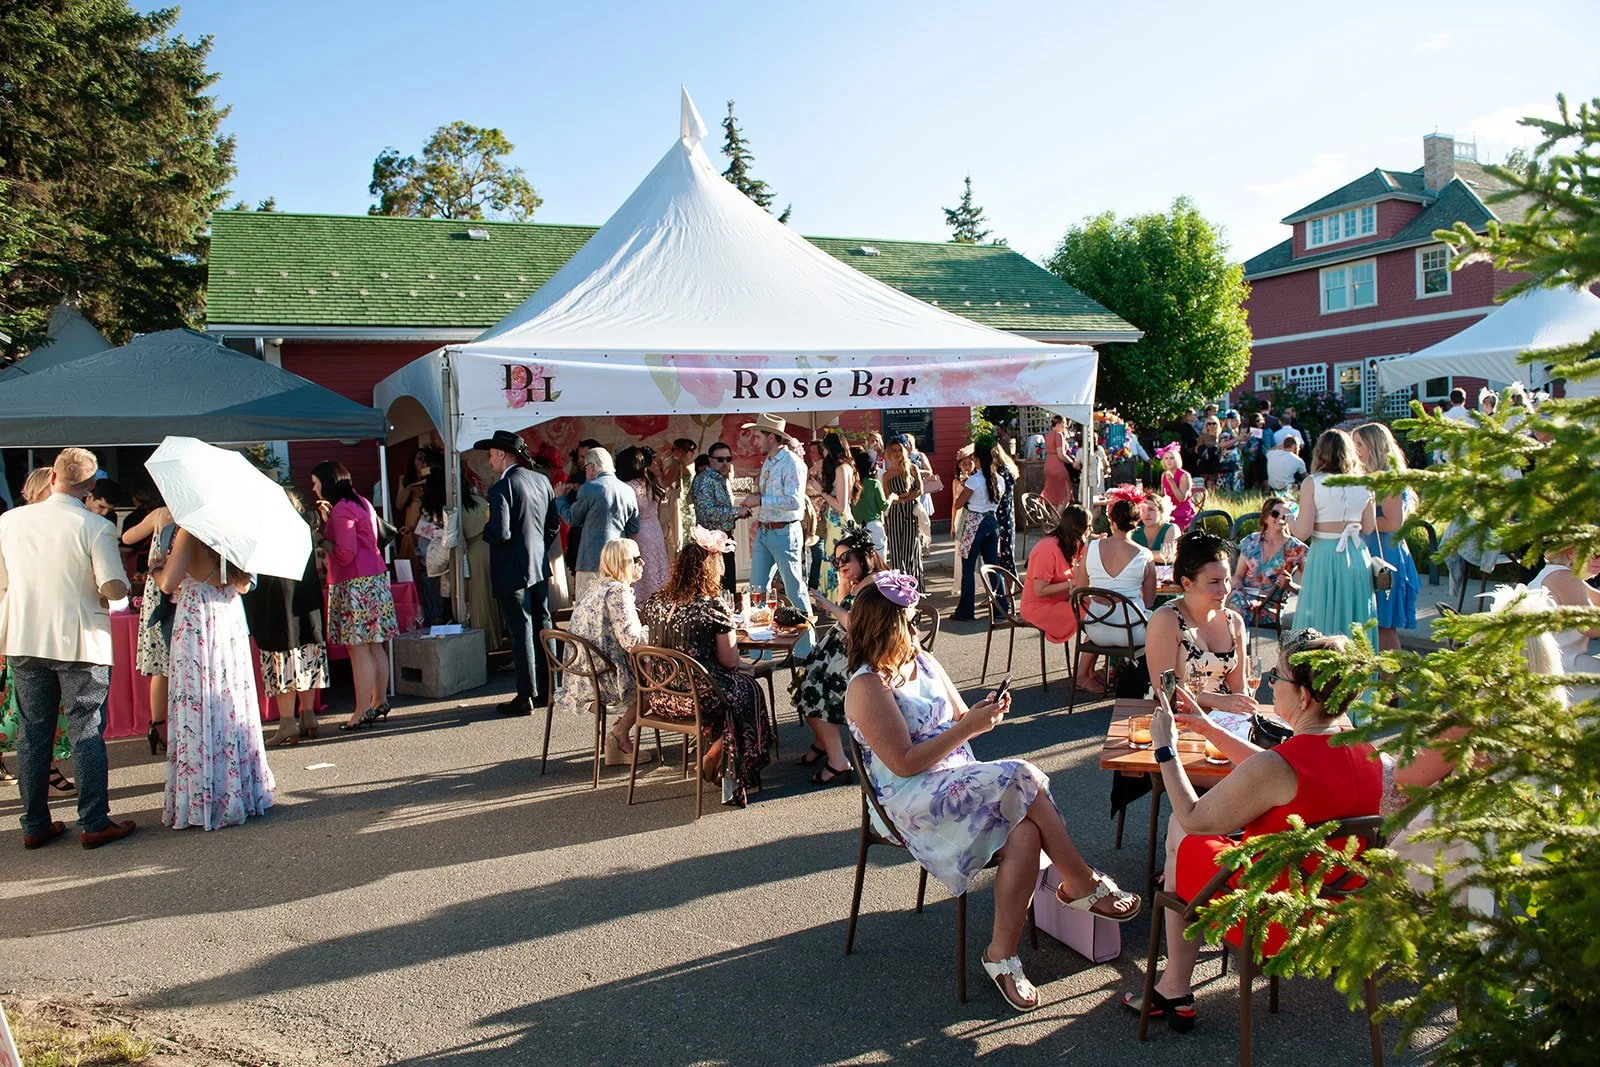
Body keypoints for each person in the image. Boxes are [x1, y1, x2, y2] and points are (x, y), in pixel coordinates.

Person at [845, 572, 1140, 1012]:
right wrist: (966, 727)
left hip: (956, 778)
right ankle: (1080, 883)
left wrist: (985, 713)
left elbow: (962, 718)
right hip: (910, 800)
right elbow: (904, 762)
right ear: (885, 627)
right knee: (1020, 774)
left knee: (1025, 834)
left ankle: (1000, 954)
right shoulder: (867, 686)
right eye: (907, 620)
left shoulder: (922, 661)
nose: (916, 626)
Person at [1124, 630, 1380, 1031]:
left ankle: (1174, 984)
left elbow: (1195, 815)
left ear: (1304, 697)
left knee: (1180, 827)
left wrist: (1165, 750)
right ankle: (1173, 983)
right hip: (1338, 908)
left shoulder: (1282, 766)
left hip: (1271, 913)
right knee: (1190, 830)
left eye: (1278, 677)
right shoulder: (1365, 749)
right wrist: (1209, 728)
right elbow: (1278, 770)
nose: (1272, 685)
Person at [0, 447, 137, 850]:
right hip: (79, 640)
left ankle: (34, 823)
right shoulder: (95, 525)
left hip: (25, 636)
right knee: (86, 729)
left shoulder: (9, 520)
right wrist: (116, 587)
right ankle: (93, 821)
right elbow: (113, 587)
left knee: (33, 732)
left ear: (54, 475)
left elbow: (2, 584)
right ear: (90, 486)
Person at [639, 527, 770, 807]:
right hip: (697, 700)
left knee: (736, 688)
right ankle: (723, 759)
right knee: (749, 690)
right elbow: (730, 661)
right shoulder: (712, 607)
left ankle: (715, 750)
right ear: (710, 570)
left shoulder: (655, 602)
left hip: (661, 696)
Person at [158, 524, 275, 830]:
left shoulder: (190, 531)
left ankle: (202, 795)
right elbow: (245, 586)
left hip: (197, 615)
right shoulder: (235, 530)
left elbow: (169, 583)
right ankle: (238, 791)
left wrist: (157, 568)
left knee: (198, 699)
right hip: (229, 616)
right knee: (230, 698)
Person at [3, 469, 87, 793]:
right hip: (34, 631)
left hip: (24, 632)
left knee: (36, 719)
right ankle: (43, 780)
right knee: (36, 719)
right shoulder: (21, 526)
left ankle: (36, 804)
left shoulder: (17, 525)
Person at [475, 431, 561, 717]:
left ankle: (526, 694)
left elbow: (500, 533)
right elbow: (552, 526)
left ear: (501, 454)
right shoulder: (541, 480)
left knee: (522, 630)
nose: (489, 461)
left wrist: (486, 526)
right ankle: (551, 687)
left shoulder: (502, 487)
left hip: (512, 568)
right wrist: (537, 551)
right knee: (543, 625)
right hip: (538, 565)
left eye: (491, 455)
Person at [310, 461, 399, 729]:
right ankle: (379, 701)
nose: (313, 488)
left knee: (358, 649)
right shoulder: (360, 502)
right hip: (374, 579)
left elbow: (345, 553)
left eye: (315, 483)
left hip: (354, 584)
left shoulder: (342, 510)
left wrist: (321, 539)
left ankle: (361, 710)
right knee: (375, 644)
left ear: (327, 482)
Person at [792, 527, 883, 785]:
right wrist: (843, 584)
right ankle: (823, 744)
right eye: (836, 560)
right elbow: (844, 610)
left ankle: (838, 760)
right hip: (840, 653)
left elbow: (855, 626)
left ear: (864, 557)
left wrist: (828, 605)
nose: (840, 564)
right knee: (803, 683)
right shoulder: (859, 583)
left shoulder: (874, 584)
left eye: (846, 558)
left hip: (859, 659)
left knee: (812, 693)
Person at [552, 538, 652, 765]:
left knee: (652, 670)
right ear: (622, 563)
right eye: (637, 559)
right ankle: (619, 734)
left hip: (580, 677)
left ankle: (618, 738)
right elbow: (633, 642)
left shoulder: (595, 587)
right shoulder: (618, 592)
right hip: (603, 681)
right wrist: (657, 631)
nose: (643, 563)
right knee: (661, 682)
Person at [243, 488, 327, 747]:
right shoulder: (302, 527)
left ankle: (287, 722)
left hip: (277, 604)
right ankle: (309, 716)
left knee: (281, 660)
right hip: (307, 602)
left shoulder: (262, 530)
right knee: (306, 656)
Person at [1291, 429, 1377, 649]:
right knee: (1356, 616)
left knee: (1320, 616)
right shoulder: (1365, 482)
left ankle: (1319, 676)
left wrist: (1289, 519)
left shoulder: (1313, 483)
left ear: (1320, 453)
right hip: (1356, 555)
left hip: (1325, 555)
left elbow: (1302, 532)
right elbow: (1368, 528)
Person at [1147, 529, 1252, 707]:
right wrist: (1220, 702)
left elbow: (1239, 687)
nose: (1225, 590)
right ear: (1187, 583)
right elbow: (1164, 688)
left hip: (1225, 718)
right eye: (1214, 582)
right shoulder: (1166, 619)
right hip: (1177, 715)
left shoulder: (1234, 621)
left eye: (1227, 580)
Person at [1070, 495, 1156, 692]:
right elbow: (1150, 601)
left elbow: (1080, 590)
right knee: (1161, 621)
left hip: (1096, 629)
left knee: (1099, 614)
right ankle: (1155, 682)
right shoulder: (1144, 555)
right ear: (1137, 523)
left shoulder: (1091, 548)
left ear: (1111, 520)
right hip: (1132, 633)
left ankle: (1090, 674)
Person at [738, 414, 813, 631]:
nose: (755, 441)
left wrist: (759, 500)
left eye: (758, 436)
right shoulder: (770, 461)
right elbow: (769, 496)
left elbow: (794, 502)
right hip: (765, 532)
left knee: (794, 590)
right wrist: (751, 501)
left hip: (784, 532)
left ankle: (807, 650)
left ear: (772, 437)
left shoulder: (792, 463)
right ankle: (762, 649)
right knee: (757, 590)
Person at [1353, 422, 1421, 650]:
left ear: (1375, 446)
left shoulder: (1389, 480)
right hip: (1370, 553)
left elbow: (1393, 523)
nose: (1355, 449)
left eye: (1359, 444)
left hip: (1385, 557)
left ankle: (1391, 681)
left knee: (1384, 626)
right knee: (1370, 624)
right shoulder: (1370, 477)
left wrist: (1357, 521)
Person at [558, 447, 640, 599]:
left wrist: (560, 499)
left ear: (591, 466)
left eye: (585, 469)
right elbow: (634, 527)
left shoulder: (589, 488)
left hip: (592, 560)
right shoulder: (628, 490)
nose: (585, 473)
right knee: (616, 608)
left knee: (589, 611)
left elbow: (571, 518)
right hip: (619, 561)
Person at [1529, 544, 1600, 702]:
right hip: (1557, 665)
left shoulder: (1556, 574)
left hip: (1551, 661)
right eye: (1596, 553)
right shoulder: (1565, 577)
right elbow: (1590, 626)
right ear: (1571, 553)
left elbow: (1597, 599)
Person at [1227, 497, 1306, 624]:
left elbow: (1307, 591)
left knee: (1233, 611)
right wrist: (1237, 585)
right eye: (1275, 513)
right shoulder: (1251, 541)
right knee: (1228, 599)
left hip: (1271, 605)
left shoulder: (1297, 549)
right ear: (1265, 518)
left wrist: (1289, 585)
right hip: (1244, 598)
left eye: (1285, 515)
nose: (1280, 518)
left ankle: (1239, 640)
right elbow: (1238, 576)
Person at [952, 438, 1006, 621]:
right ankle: (1001, 607)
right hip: (992, 521)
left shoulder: (974, 481)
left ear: (977, 459)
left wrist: (962, 488)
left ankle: (966, 610)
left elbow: (959, 504)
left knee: (968, 567)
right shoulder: (999, 479)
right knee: (993, 566)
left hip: (974, 522)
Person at [1020, 503, 1089, 646]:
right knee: (1092, 612)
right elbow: (1040, 590)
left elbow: (1090, 556)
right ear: (1078, 528)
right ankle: (1086, 666)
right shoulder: (1048, 547)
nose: (1091, 530)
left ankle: (1091, 662)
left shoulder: (1071, 542)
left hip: (1061, 601)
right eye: (1088, 527)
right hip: (1039, 606)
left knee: (1099, 606)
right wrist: (1072, 583)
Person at [455, 463, 503, 654]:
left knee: (479, 598)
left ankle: (484, 643)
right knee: (491, 597)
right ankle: (495, 638)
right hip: (490, 549)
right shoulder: (480, 502)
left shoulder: (457, 508)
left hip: (474, 552)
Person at [690, 441, 747, 596]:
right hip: (710, 544)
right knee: (715, 590)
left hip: (724, 539)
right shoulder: (704, 480)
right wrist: (736, 512)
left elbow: (720, 511)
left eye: (728, 459)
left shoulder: (722, 479)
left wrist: (739, 513)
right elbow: (706, 512)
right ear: (710, 460)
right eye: (720, 459)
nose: (725, 463)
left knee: (728, 590)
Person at [616, 446, 670, 604]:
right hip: (656, 530)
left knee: (642, 574)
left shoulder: (627, 487)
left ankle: (643, 608)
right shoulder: (649, 482)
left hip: (639, 533)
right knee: (657, 569)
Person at [816, 432, 855, 600]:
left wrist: (821, 492)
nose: (823, 453)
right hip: (837, 523)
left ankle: (838, 604)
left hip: (839, 523)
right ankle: (838, 604)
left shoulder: (841, 469)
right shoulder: (846, 467)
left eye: (824, 449)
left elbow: (840, 505)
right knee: (837, 562)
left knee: (836, 562)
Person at [881, 437, 924, 588]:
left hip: (910, 511)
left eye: (900, 450)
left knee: (910, 548)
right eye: (894, 451)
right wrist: (899, 499)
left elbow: (920, 489)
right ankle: (899, 586)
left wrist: (906, 498)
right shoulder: (887, 475)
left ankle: (913, 584)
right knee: (896, 550)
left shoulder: (912, 468)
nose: (898, 453)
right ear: (889, 453)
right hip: (894, 514)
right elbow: (887, 497)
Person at [656, 438, 698, 561]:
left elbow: (664, 482)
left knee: (678, 537)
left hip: (679, 505)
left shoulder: (679, 464)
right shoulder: (691, 463)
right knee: (688, 537)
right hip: (689, 506)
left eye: (673, 449)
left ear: (679, 451)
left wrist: (660, 467)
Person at [849, 448, 888, 555]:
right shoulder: (874, 483)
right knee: (879, 560)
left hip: (858, 527)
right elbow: (883, 506)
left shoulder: (852, 484)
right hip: (874, 525)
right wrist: (892, 497)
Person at [992, 440, 1021, 576]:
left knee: (1002, 556)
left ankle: (1008, 590)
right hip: (1008, 515)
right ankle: (1009, 590)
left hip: (1000, 516)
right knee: (1007, 553)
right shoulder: (1008, 468)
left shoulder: (1000, 472)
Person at [803, 439, 827, 588]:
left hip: (819, 515)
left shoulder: (822, 469)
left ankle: (815, 581)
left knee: (818, 549)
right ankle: (814, 580)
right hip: (811, 515)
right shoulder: (812, 468)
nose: (811, 454)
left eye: (813, 451)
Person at [1130, 490, 1178, 564]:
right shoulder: (1134, 532)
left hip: (1166, 573)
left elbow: (1167, 556)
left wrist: (1138, 554)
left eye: (1151, 509)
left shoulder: (1171, 528)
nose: (1147, 514)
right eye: (1143, 510)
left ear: (1161, 511)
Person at [1157, 443, 1196, 531]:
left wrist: (1172, 482)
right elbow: (1163, 494)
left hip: (1182, 511)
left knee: (1169, 529)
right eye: (1166, 458)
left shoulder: (1184, 475)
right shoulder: (1164, 474)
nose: (1168, 461)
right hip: (1168, 508)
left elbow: (1181, 498)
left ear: (1177, 460)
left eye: (1172, 458)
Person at [1042, 414, 1072, 508]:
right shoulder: (1058, 435)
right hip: (1057, 466)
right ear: (1058, 424)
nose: (1065, 426)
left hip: (1048, 465)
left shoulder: (1048, 435)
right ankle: (1058, 519)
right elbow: (1061, 454)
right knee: (1066, 495)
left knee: (1054, 496)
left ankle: (1053, 519)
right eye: (1064, 424)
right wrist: (1072, 462)